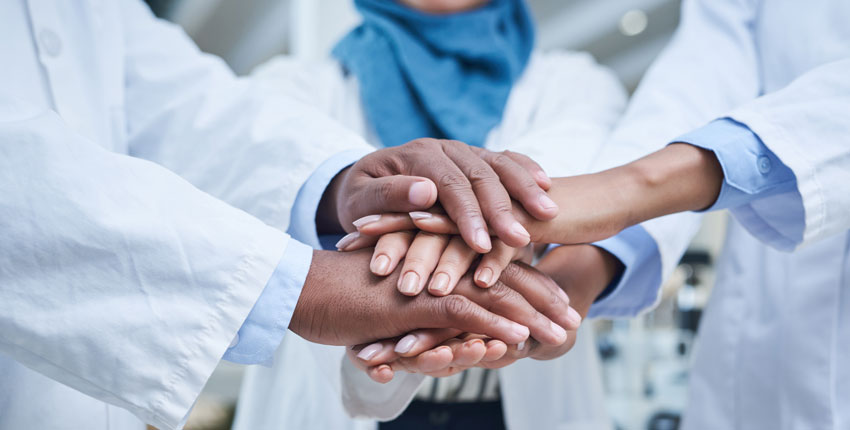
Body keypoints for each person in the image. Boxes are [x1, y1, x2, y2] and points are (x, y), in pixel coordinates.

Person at [0, 1, 580, 429]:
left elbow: (183, 105)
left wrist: (341, 183)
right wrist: (305, 285)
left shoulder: (573, 83)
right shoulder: (298, 81)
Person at [356, 0, 850, 428]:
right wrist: (568, 280)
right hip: (756, 354)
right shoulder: (305, 84)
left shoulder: (573, 81)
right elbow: (701, 80)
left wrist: (624, 192)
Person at [234, 1, 638, 429]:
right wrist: (478, 233)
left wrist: (418, 229)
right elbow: (270, 178)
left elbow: (561, 186)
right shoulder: (291, 86)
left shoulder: (578, 84)